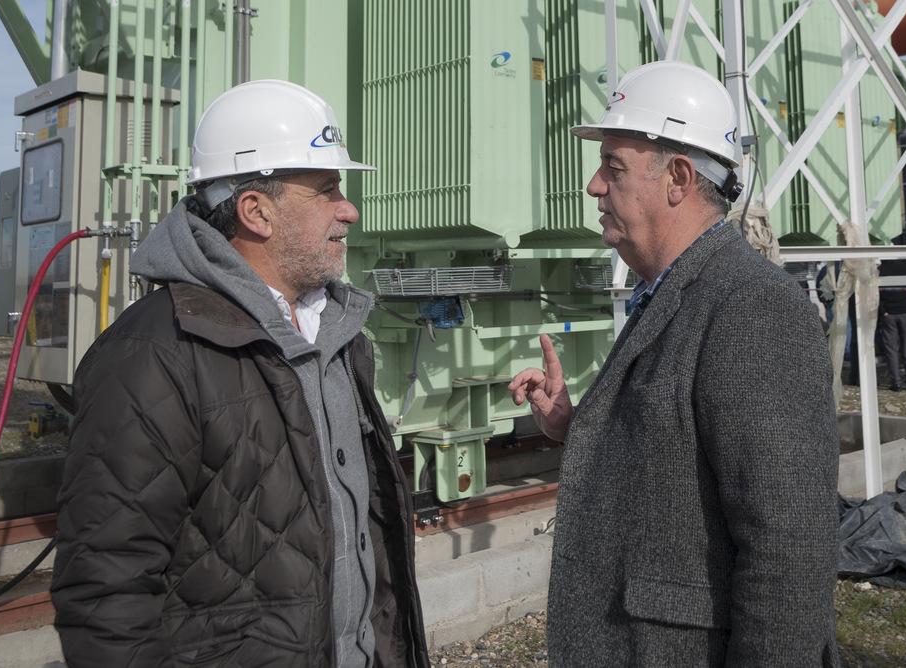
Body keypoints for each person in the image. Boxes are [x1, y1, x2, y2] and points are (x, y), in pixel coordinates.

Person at [51, 80, 428, 668]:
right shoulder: (152, 354)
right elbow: (106, 589)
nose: (348, 209)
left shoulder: (339, 334)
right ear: (257, 211)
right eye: (327, 190)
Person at [509, 61, 838, 667]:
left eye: (614, 168)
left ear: (679, 177)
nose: (594, 186)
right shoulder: (673, 290)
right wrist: (575, 425)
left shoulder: (750, 306)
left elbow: (788, 548)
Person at [877, 233, 906, 391]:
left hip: (889, 314)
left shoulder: (880, 270)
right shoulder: (904, 267)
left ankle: (895, 383)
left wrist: (883, 312)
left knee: (891, 350)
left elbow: (875, 295)